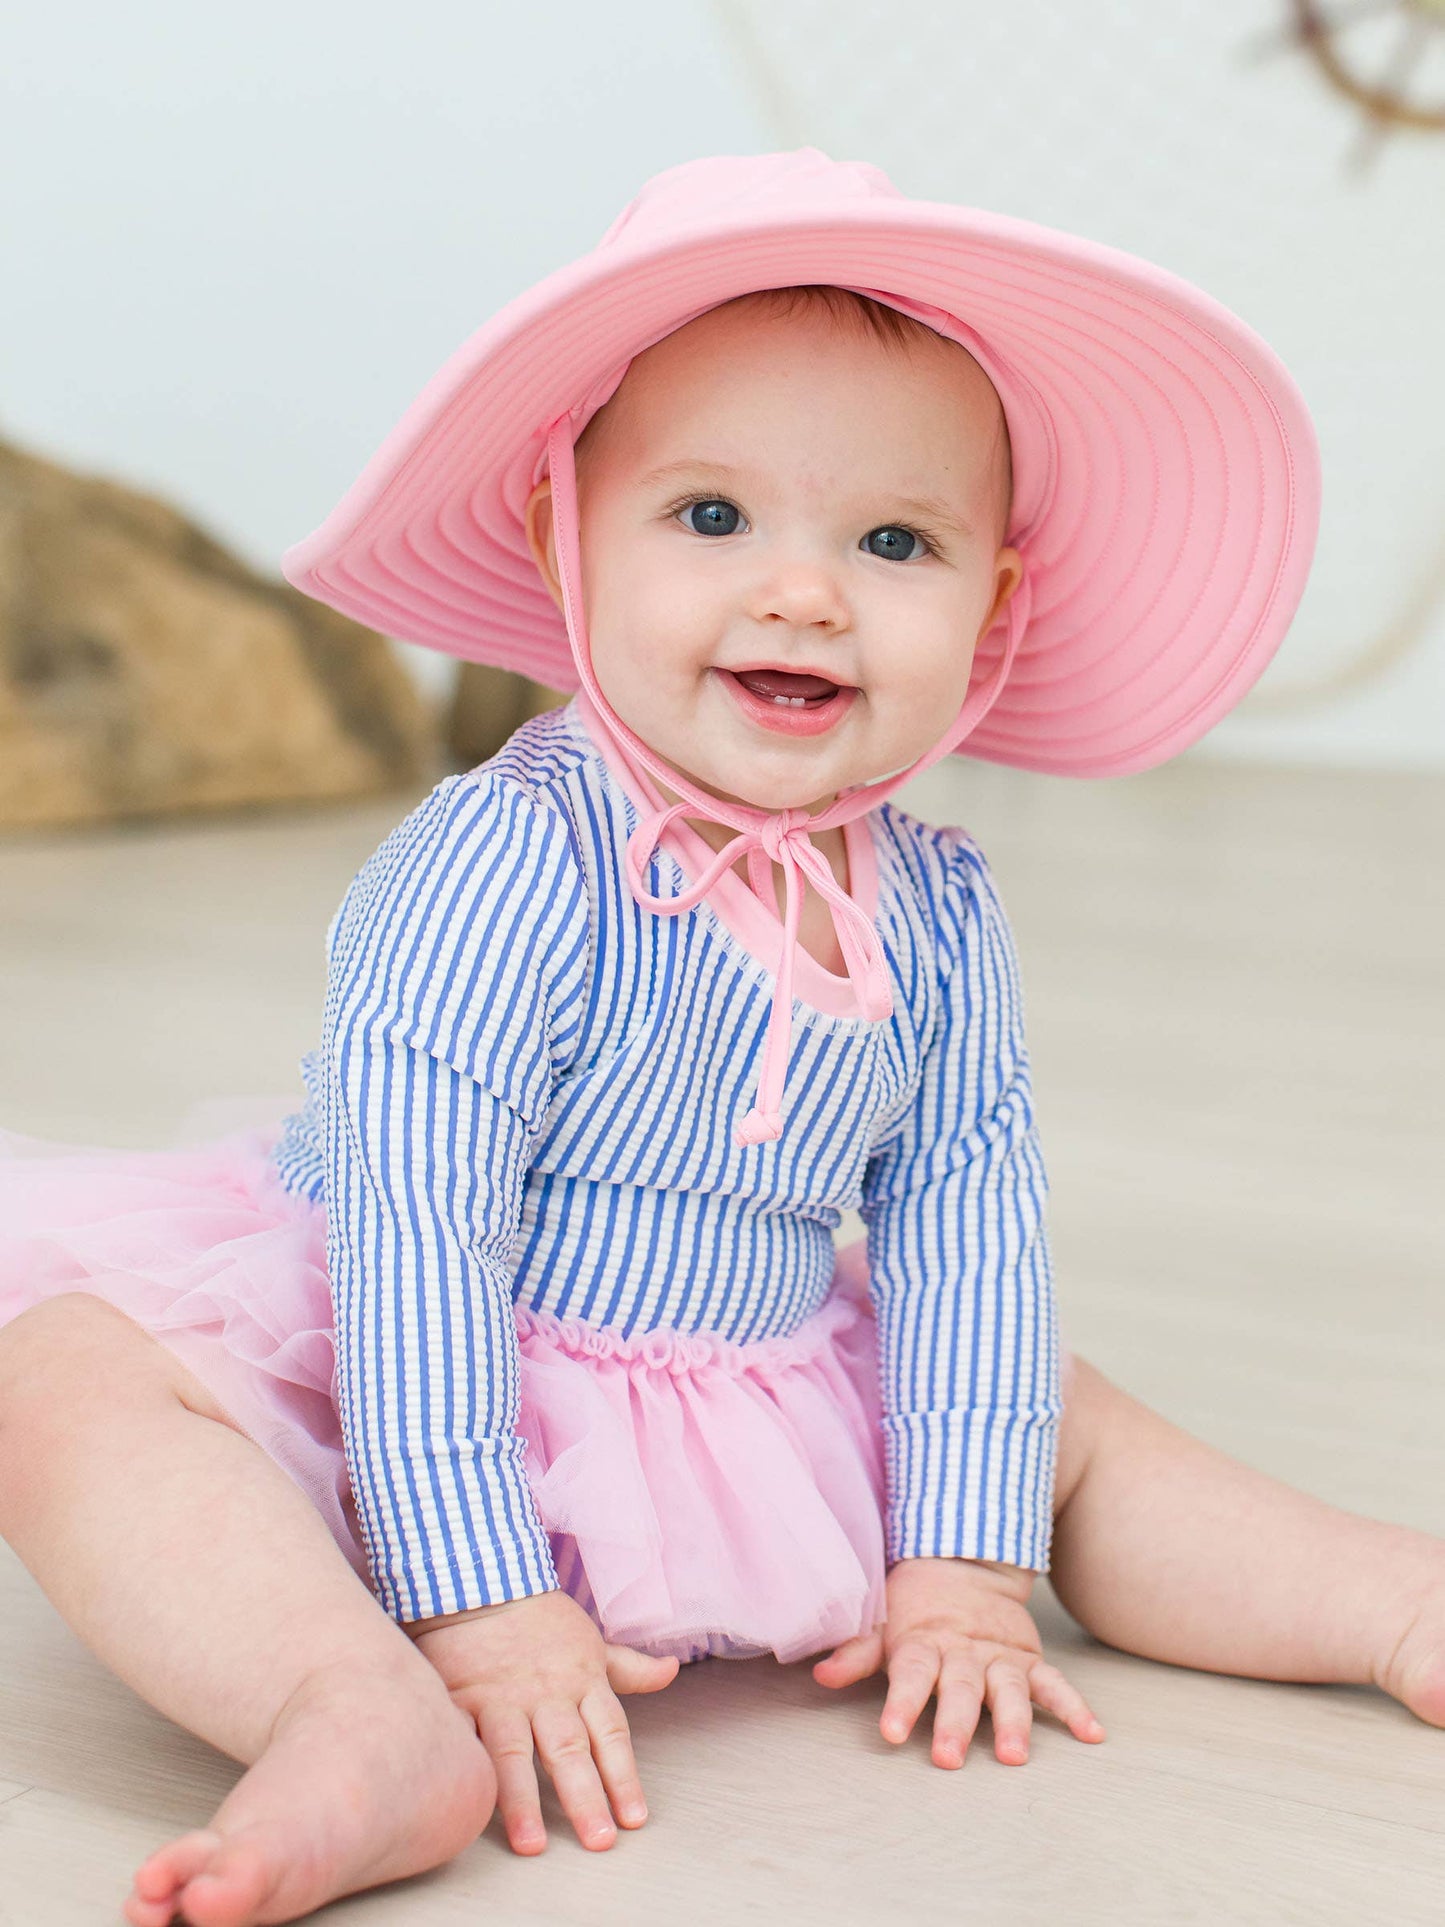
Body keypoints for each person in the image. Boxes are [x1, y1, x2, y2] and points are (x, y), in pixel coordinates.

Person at [0, 150, 1440, 1927]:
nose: (806, 593)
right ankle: (351, 1706)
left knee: (1050, 1408)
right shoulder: (501, 860)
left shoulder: (937, 907)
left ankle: (1387, 1599)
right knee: (66, 1379)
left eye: (894, 543)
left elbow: (964, 1226)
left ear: (993, 605)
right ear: (560, 534)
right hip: (412, 1391)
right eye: (708, 519)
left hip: (740, 1380)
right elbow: (416, 1225)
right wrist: (475, 1591)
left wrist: (969, 1559)